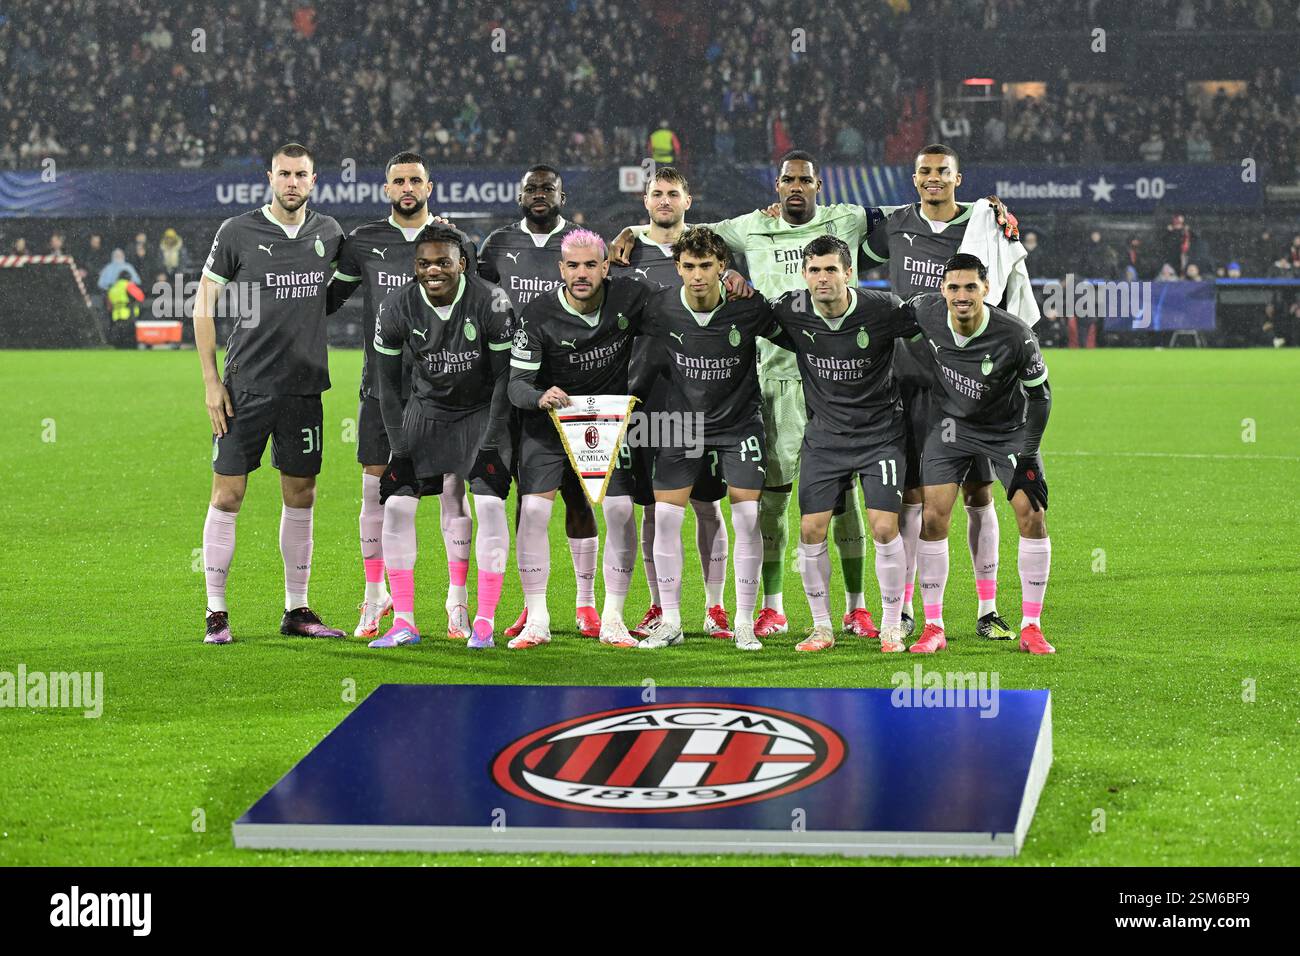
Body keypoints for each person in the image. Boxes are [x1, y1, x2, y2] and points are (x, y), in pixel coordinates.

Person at [611, 151, 881, 643]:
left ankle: (833, 611)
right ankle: (718, 614)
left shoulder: (844, 223)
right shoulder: (679, 290)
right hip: (728, 403)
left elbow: (914, 217)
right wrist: (632, 231)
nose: (698, 274)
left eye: (707, 266)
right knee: (717, 509)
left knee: (829, 501)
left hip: (802, 395)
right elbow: (674, 224)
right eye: (786, 179)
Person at [860, 144, 1027, 641]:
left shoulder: (982, 223)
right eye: (925, 172)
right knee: (913, 498)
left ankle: (987, 609)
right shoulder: (893, 224)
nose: (934, 179)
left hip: (966, 387)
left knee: (979, 496)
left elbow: (1011, 276)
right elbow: (843, 246)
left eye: (943, 172)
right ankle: (908, 608)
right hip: (908, 381)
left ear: (959, 177)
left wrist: (999, 215)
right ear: (914, 179)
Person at [195, 143, 346, 645]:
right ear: (269, 178)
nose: (292, 183)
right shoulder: (237, 231)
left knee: (300, 495)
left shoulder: (329, 233)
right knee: (229, 494)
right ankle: (216, 611)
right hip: (246, 388)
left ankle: (296, 608)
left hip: (303, 389)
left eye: (301, 174)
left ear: (314, 179)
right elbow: (202, 307)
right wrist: (211, 382)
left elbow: (344, 287)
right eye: (284, 174)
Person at [327, 151, 480, 640]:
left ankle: (457, 602)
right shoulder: (364, 242)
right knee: (378, 490)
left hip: (447, 390)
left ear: (430, 187)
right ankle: (376, 597)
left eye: (416, 180)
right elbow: (328, 299)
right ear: (386, 188)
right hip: (383, 387)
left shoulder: (457, 243)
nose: (407, 187)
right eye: (399, 181)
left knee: (454, 491)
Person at [895, 253, 1055, 656]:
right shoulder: (926, 311)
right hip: (950, 427)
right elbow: (889, 314)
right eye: (953, 287)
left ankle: (1031, 626)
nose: (961, 295)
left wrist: (1030, 454)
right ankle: (933, 626)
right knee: (933, 517)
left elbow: (1041, 396)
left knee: (1032, 514)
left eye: (970, 287)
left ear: (986, 288)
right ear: (942, 290)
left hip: (1005, 432)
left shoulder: (1015, 334)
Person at [770, 236, 919, 653]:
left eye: (831, 269)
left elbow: (930, 324)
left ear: (849, 273)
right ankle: (821, 628)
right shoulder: (791, 310)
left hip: (880, 436)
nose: (822, 278)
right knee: (810, 529)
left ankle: (892, 624)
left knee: (884, 527)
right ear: (804, 274)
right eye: (814, 270)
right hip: (825, 438)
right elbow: (756, 318)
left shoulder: (883, 310)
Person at [370, 226, 514, 649]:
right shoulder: (396, 307)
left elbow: (505, 379)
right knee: (396, 505)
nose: (433, 270)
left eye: (443, 262)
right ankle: (404, 621)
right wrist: (398, 451)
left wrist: (489, 445)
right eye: (424, 263)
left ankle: (483, 622)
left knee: (488, 504)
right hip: (426, 413)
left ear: (462, 264)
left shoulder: (492, 301)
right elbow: (387, 387)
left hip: (480, 413)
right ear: (415, 268)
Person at [634, 226, 777, 651]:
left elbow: (800, 336)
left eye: (707, 266)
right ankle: (672, 621)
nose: (698, 275)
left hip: (738, 423)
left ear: (723, 267)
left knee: (748, 518)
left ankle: (745, 621)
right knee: (666, 518)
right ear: (677, 267)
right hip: (682, 425)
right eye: (690, 266)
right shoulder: (659, 307)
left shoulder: (749, 308)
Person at [507, 230, 651, 649]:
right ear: (561, 269)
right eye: (573, 265)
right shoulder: (537, 315)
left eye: (591, 265)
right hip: (550, 423)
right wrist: (538, 395)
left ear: (606, 267)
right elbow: (516, 384)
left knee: (622, 512)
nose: (582, 273)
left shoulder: (630, 298)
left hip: (608, 422)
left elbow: (679, 304)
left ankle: (612, 619)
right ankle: (537, 618)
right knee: (533, 512)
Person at [608, 167, 734, 641]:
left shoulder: (708, 250)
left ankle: (716, 606)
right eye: (657, 194)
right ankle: (660, 605)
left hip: (703, 397)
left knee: (706, 502)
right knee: (651, 506)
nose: (665, 201)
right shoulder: (624, 254)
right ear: (645, 201)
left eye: (673, 194)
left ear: (688, 199)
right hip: (643, 398)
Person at [479, 165, 602, 639]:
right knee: (529, 496)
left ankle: (586, 603)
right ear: (520, 194)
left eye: (546, 189)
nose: (538, 195)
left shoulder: (579, 243)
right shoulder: (497, 245)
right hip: (515, 386)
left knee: (578, 493)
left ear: (560, 195)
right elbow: (477, 289)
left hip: (574, 388)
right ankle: (533, 607)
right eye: (531, 188)